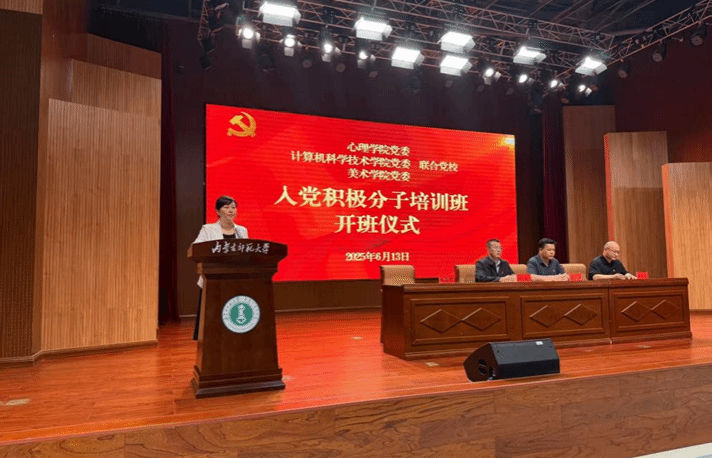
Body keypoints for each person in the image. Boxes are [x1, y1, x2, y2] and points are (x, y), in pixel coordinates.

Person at [192, 195, 249, 340]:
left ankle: (233, 339)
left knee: (232, 315)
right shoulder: (208, 229)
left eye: (233, 207)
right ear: (217, 211)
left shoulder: (242, 231)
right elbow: (195, 248)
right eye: (226, 207)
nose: (230, 210)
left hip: (235, 280)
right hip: (213, 279)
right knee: (212, 318)